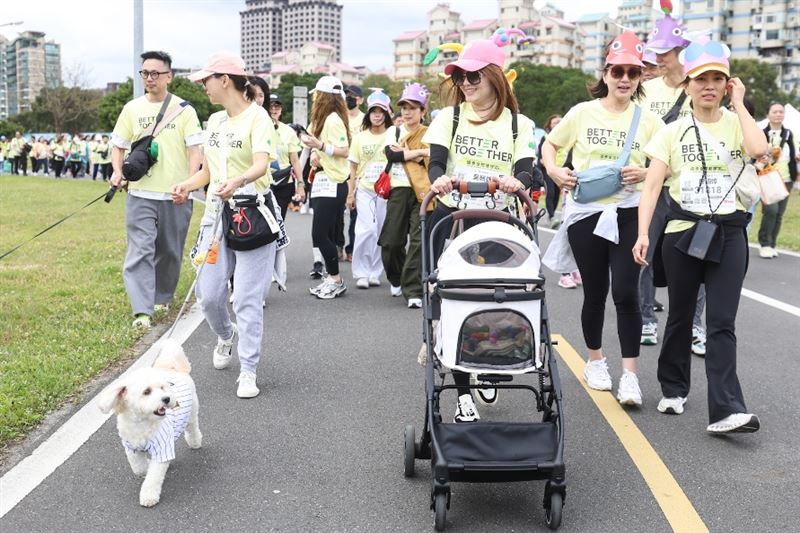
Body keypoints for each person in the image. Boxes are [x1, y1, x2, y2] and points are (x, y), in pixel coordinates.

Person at [633, 37, 767, 433]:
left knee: (721, 321)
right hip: (682, 234)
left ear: (727, 84)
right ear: (687, 85)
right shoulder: (671, 132)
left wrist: (740, 104)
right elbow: (652, 187)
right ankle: (673, 388)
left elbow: (758, 149)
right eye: (701, 79)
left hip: (729, 232)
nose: (709, 86)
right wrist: (643, 234)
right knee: (680, 315)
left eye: (717, 79)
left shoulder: (737, 123)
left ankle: (726, 409)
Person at [541, 31, 663, 407]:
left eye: (633, 72)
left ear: (640, 77)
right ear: (605, 73)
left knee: (626, 292)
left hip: (629, 212)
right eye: (618, 71)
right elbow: (550, 144)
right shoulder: (582, 112)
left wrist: (646, 172)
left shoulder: (649, 121)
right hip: (586, 214)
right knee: (595, 292)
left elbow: (668, 164)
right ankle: (595, 361)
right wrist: (555, 171)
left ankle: (630, 376)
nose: (625, 79)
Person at [425, 38, 537, 422]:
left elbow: (525, 168)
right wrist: (439, 179)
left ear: (494, 77)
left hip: (497, 222)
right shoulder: (449, 117)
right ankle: (463, 395)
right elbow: (436, 163)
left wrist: (517, 181)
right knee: (455, 301)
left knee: (496, 300)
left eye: (474, 76)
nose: (466, 83)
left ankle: (488, 363)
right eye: (461, 77)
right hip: (452, 217)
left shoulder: (519, 124)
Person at [172, 51, 277, 398]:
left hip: (251, 216)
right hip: (215, 217)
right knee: (209, 294)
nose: (204, 86)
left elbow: (261, 164)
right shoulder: (214, 121)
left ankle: (248, 370)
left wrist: (238, 181)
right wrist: (187, 185)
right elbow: (207, 171)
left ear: (225, 80)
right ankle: (225, 335)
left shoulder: (258, 117)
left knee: (246, 298)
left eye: (207, 80)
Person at [110, 50, 203, 329]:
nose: (149, 78)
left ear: (169, 76)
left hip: (175, 195)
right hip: (140, 194)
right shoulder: (132, 109)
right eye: (145, 73)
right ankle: (142, 310)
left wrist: (188, 185)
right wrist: (117, 171)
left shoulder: (185, 110)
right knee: (140, 250)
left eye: (155, 73)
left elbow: (195, 150)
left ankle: (162, 297)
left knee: (170, 251)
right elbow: (118, 146)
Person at [640, 5, 707, 353]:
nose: (658, 59)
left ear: (682, 51)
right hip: (652, 185)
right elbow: (637, 136)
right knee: (645, 254)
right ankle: (646, 319)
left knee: (697, 257)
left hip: (692, 190)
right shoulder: (646, 90)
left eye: (665, 52)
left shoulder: (699, 86)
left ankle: (695, 325)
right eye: (656, 52)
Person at [300, 75, 352, 299]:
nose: (315, 99)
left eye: (317, 95)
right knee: (322, 233)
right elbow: (313, 148)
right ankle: (332, 277)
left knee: (320, 234)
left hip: (333, 182)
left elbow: (344, 150)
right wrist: (315, 152)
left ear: (323, 96)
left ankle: (336, 279)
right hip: (324, 181)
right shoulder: (322, 120)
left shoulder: (332, 120)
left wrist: (319, 146)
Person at [380, 83, 431, 309]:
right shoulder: (394, 131)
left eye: (413, 108)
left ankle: (413, 289)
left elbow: (434, 158)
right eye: (404, 108)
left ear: (422, 111)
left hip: (423, 191)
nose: (407, 112)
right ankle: (397, 277)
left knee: (418, 242)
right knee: (391, 241)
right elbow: (392, 155)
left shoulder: (430, 133)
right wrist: (420, 153)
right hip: (398, 189)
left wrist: (410, 153)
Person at [346, 89, 393, 289]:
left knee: (380, 232)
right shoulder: (359, 138)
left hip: (386, 191)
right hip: (365, 189)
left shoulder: (393, 134)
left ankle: (375, 272)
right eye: (374, 111)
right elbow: (352, 168)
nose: (377, 115)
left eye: (381, 111)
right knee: (366, 230)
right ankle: (361, 272)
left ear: (387, 113)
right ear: (368, 113)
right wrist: (350, 194)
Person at [757, 102, 798, 258]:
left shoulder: (788, 134)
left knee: (779, 213)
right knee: (771, 210)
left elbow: (792, 153)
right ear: (768, 114)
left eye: (781, 112)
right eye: (775, 112)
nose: (778, 114)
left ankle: (772, 244)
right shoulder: (762, 133)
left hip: (786, 178)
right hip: (768, 177)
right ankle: (765, 243)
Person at [261, 88, 305, 219]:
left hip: (284, 182)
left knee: (279, 220)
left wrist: (300, 185)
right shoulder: (258, 128)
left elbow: (295, 161)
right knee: (262, 221)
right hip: (262, 180)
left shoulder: (289, 131)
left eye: (277, 106)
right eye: (271, 106)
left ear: (281, 109)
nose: (274, 109)